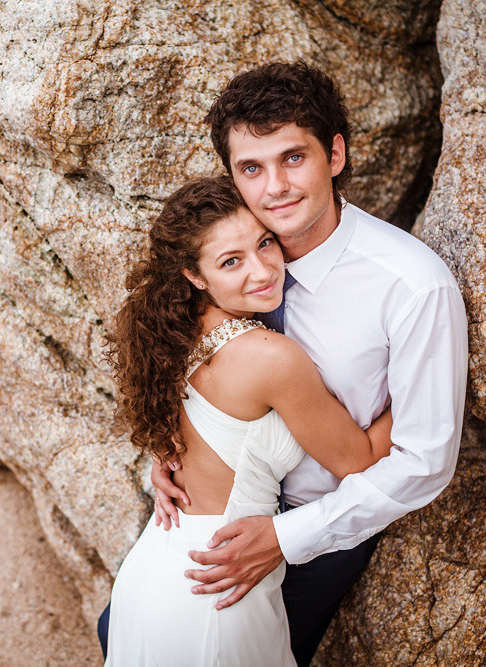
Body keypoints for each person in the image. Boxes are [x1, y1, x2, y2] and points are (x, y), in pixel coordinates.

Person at [145, 61, 470, 666]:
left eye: (293, 157)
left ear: (335, 155)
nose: (275, 188)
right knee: (129, 634)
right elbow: (185, 363)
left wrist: (289, 538)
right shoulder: (227, 258)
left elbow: (425, 460)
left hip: (315, 529)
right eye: (252, 168)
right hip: (206, 507)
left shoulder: (413, 287)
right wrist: (168, 453)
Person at [102, 176, 396, 666]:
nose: (262, 271)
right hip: (220, 582)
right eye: (231, 261)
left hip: (160, 563)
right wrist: (422, 379)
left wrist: (164, 463)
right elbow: (359, 459)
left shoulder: (173, 331)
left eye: (264, 243)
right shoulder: (269, 357)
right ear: (195, 276)